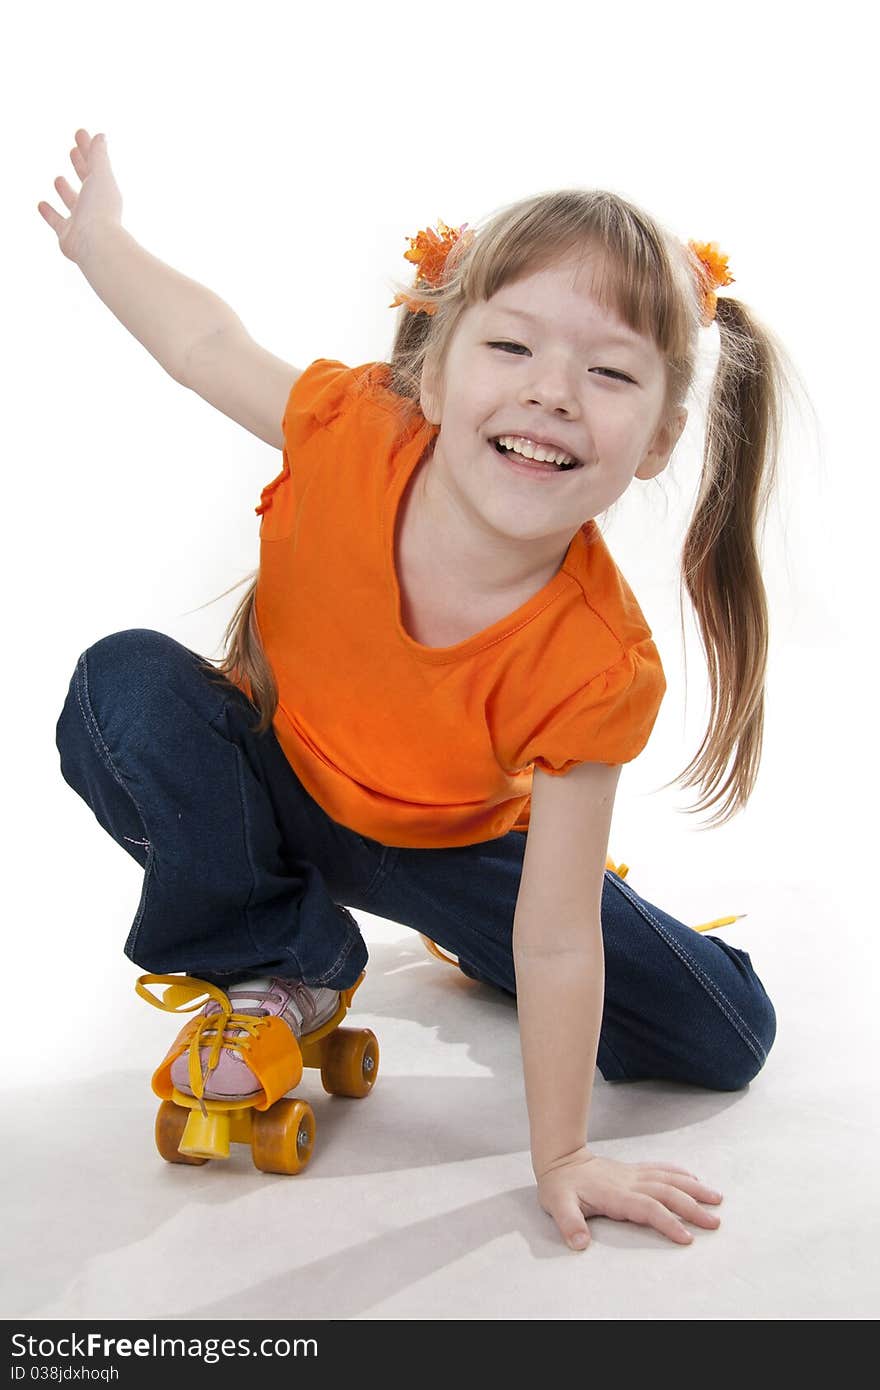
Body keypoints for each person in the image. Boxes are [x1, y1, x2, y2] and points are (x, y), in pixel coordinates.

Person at [43, 129, 788, 1254]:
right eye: (512, 347)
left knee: (725, 1035)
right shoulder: (354, 430)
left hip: (449, 847)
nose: (552, 395)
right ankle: (280, 957)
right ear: (433, 371)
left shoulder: (595, 659)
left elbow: (557, 941)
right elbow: (204, 344)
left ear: (658, 439)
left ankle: (504, 924)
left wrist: (564, 1153)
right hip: (283, 782)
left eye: (611, 371)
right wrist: (100, 240)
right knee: (121, 687)